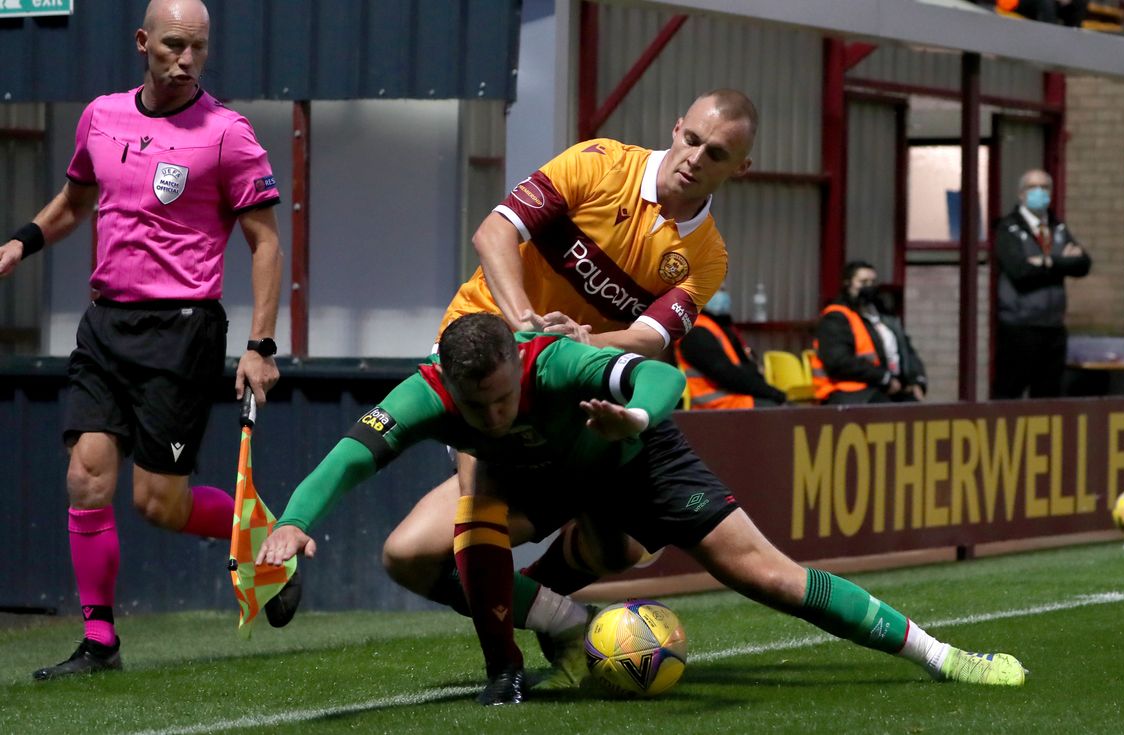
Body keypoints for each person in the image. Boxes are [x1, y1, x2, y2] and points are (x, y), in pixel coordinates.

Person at [259, 313, 1027, 706]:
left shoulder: (556, 360)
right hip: (547, 480)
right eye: (475, 405)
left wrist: (635, 418)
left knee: (768, 577)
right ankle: (540, 644)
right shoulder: (426, 394)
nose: (491, 413)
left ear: (516, 364)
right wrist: (294, 518)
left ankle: (940, 654)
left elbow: (662, 379)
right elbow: (350, 455)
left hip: (636, 457)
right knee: (409, 549)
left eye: (502, 397)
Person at [373, 89, 758, 674]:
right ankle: (510, 663)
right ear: (676, 127)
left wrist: (574, 345)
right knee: (432, 539)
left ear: (740, 169)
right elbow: (493, 234)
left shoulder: (706, 257)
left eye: (717, 153)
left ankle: (533, 602)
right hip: (491, 362)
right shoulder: (598, 164)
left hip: (569, 385)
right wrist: (527, 330)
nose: (696, 157)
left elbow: (649, 340)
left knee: (622, 548)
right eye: (693, 139)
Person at [0, 0, 286, 680]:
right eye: (173, 46)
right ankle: (100, 641)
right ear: (142, 43)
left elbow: (267, 244)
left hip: (181, 331)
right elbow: (74, 203)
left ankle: (272, 542)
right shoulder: (100, 116)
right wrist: (19, 242)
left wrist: (261, 345)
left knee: (160, 504)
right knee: (86, 473)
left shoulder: (229, 134)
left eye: (199, 49)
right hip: (106, 323)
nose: (186, 61)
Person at [992, 169, 1091, 399]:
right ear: (1021, 194)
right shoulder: (1009, 228)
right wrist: (1062, 262)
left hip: (1053, 327)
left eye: (1045, 187)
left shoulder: (1058, 229)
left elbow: (1083, 264)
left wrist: (1046, 261)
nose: (1040, 192)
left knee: (1048, 396)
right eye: (1033, 187)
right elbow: (1020, 272)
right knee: (1009, 393)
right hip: (1019, 327)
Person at [812, 261, 928, 405]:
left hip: (887, 388)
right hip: (849, 392)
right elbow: (838, 361)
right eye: (863, 282)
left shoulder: (883, 317)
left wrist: (916, 379)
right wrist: (884, 378)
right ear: (848, 284)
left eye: (872, 282)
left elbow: (907, 351)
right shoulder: (836, 317)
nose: (869, 287)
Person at [674, 285, 786, 408]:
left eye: (723, 290)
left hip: (735, 399)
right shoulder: (697, 333)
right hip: (716, 405)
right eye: (716, 290)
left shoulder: (717, 326)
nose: (721, 295)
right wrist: (772, 393)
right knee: (782, 412)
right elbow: (727, 374)